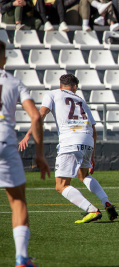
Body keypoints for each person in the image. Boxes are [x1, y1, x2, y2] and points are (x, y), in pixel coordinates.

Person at [19, 74, 119, 224]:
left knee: (61, 185)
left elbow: (41, 114)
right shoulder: (82, 101)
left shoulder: (52, 94)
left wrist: (28, 135)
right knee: (83, 175)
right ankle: (106, 202)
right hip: (87, 141)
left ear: (60, 85)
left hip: (70, 141)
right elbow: (94, 130)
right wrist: (91, 155)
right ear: (75, 87)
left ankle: (91, 210)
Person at [0, 40, 50, 266]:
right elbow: (36, 116)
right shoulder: (14, 82)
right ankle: (21, 258)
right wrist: (39, 154)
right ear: (4, 59)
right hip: (5, 141)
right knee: (18, 201)